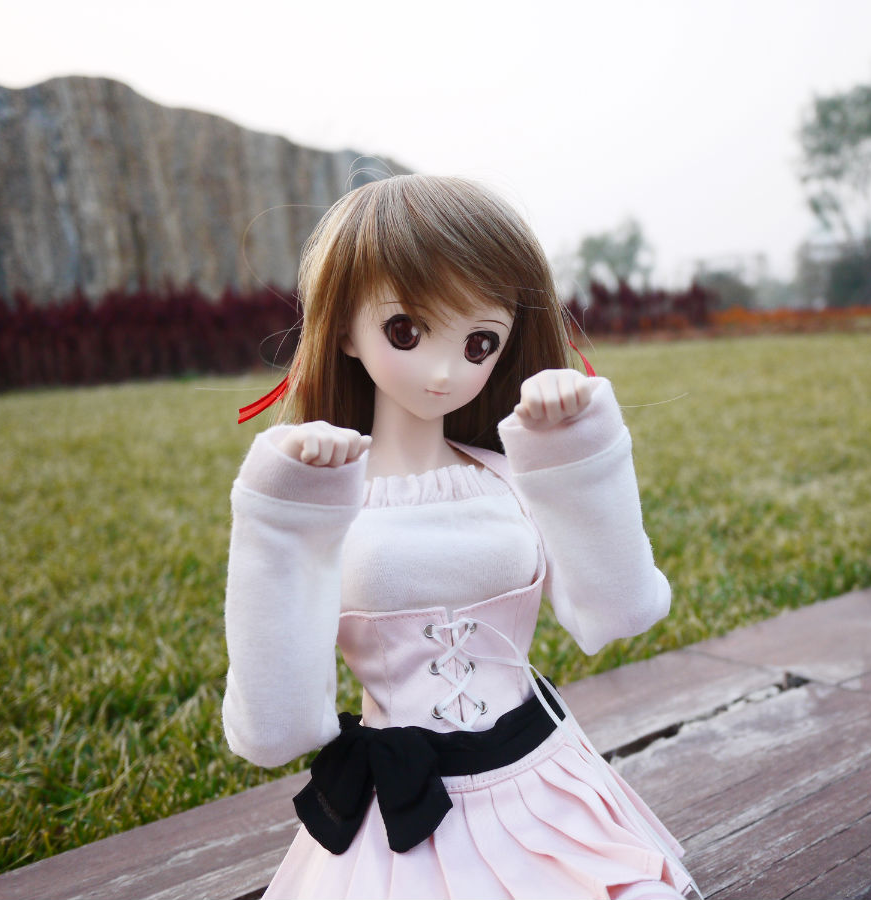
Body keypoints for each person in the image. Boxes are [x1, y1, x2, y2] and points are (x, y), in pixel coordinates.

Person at [222, 174, 695, 899]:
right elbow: (273, 727)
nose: (444, 372)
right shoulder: (326, 504)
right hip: (407, 816)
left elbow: (621, 611)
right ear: (344, 329)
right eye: (405, 332)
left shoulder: (510, 478)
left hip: (542, 782)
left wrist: (575, 452)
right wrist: (282, 517)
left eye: (480, 342)